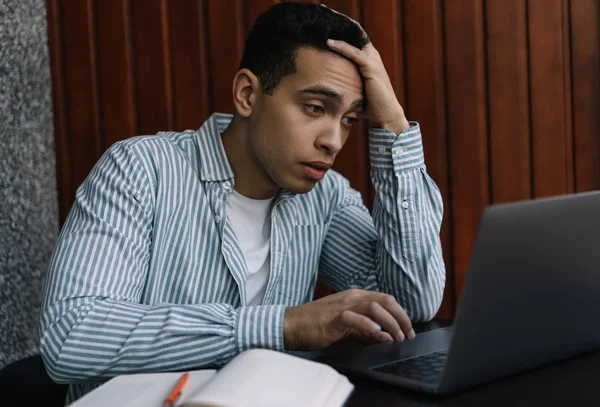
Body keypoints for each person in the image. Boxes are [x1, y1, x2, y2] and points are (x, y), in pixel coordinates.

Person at [39, 2, 445, 403]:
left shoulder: (325, 197)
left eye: (349, 119)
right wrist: (282, 326)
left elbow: (410, 302)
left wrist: (392, 120)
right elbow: (70, 335)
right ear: (248, 94)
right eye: (315, 108)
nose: (334, 140)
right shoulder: (141, 169)